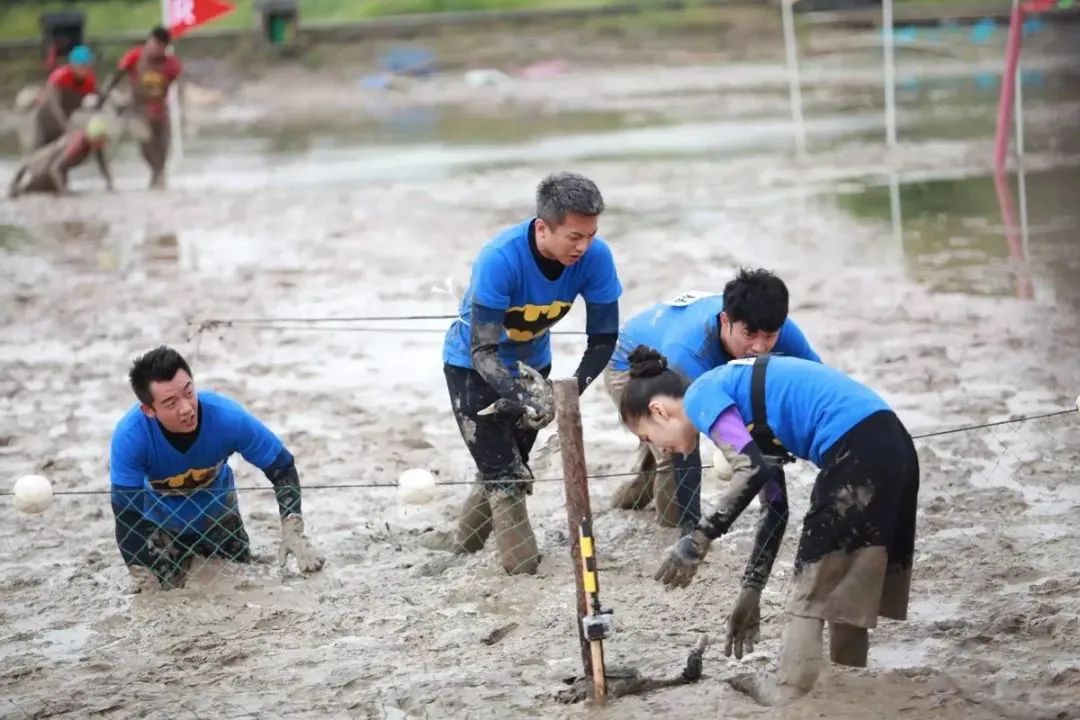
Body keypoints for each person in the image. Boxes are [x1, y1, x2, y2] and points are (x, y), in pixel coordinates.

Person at [619, 346, 918, 705]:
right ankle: (847, 682)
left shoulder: (700, 395)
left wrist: (697, 541)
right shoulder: (742, 406)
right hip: (893, 446)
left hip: (856, 451)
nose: (661, 452)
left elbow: (750, 468)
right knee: (844, 580)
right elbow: (775, 507)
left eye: (649, 438)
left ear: (658, 411)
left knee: (813, 578)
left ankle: (790, 688)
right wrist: (751, 590)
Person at [435, 172, 622, 575]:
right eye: (574, 237)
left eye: (590, 235)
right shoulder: (499, 260)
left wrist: (562, 393)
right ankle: (521, 572)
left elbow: (604, 338)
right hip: (471, 368)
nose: (584, 246)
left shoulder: (596, 258)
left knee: (510, 461)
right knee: (509, 477)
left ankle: (463, 548)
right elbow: (483, 350)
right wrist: (524, 399)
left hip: (534, 366)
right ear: (542, 227)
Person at [604, 269, 820, 532]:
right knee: (675, 448)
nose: (760, 347)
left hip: (679, 344)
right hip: (634, 363)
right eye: (749, 335)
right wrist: (694, 536)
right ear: (726, 320)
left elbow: (817, 384)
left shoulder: (779, 328)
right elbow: (697, 428)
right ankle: (675, 531)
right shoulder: (688, 355)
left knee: (659, 463)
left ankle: (627, 501)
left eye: (769, 337)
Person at [108, 346, 324, 591]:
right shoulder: (130, 436)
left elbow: (282, 467)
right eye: (170, 403)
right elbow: (126, 514)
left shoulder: (228, 418)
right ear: (148, 410)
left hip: (220, 519)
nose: (186, 408)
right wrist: (141, 572)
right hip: (161, 528)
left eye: (189, 392)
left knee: (240, 585)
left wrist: (292, 529)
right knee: (162, 594)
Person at [97, 26, 182, 189]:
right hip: (138, 109)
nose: (155, 49)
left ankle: (159, 177)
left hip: (160, 110)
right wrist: (103, 96)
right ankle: (156, 174)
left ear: (165, 47)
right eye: (153, 44)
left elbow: (177, 86)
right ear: (149, 41)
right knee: (146, 142)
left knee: (162, 145)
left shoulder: (171, 64)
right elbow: (116, 76)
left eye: (160, 46)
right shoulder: (135, 56)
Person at [8, 115, 113, 198]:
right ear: (93, 138)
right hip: (42, 169)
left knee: (53, 189)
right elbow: (56, 168)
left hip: (52, 169)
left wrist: (109, 184)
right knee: (28, 193)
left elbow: (102, 162)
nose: (102, 144)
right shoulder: (78, 144)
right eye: (100, 140)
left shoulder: (93, 143)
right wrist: (64, 193)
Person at [31, 44, 98, 150]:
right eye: (81, 66)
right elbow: (53, 104)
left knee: (60, 153)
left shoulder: (89, 81)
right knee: (39, 150)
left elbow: (95, 102)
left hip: (64, 118)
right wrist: (66, 126)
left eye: (87, 66)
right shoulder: (60, 76)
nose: (84, 69)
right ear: (73, 65)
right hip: (45, 118)